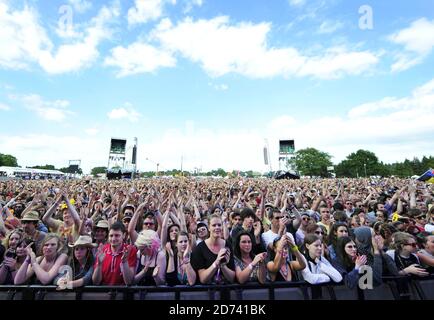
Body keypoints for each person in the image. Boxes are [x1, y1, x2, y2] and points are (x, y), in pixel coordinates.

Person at [191, 214, 235, 284]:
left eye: (219, 225)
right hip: (207, 292)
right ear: (208, 227)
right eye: (214, 225)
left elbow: (232, 278)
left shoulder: (227, 245)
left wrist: (223, 265)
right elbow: (202, 279)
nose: (217, 227)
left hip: (225, 292)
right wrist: (216, 262)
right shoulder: (200, 248)